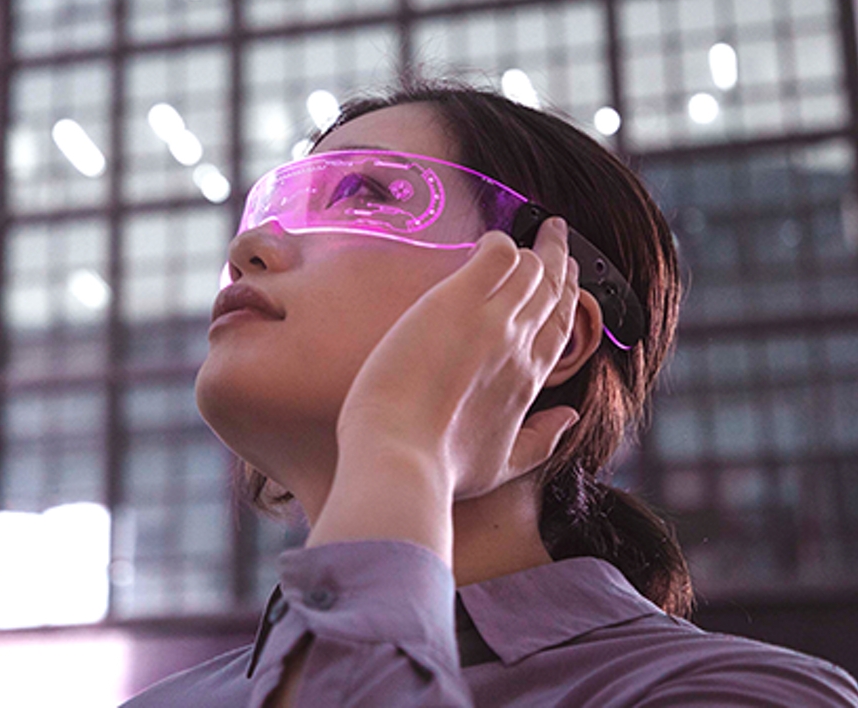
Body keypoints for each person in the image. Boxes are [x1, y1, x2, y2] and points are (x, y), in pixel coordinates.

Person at [120, 79, 858, 707]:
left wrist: (400, 447)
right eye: (275, 207)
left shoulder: (729, 693)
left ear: (553, 325)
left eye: (363, 195)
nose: (247, 249)